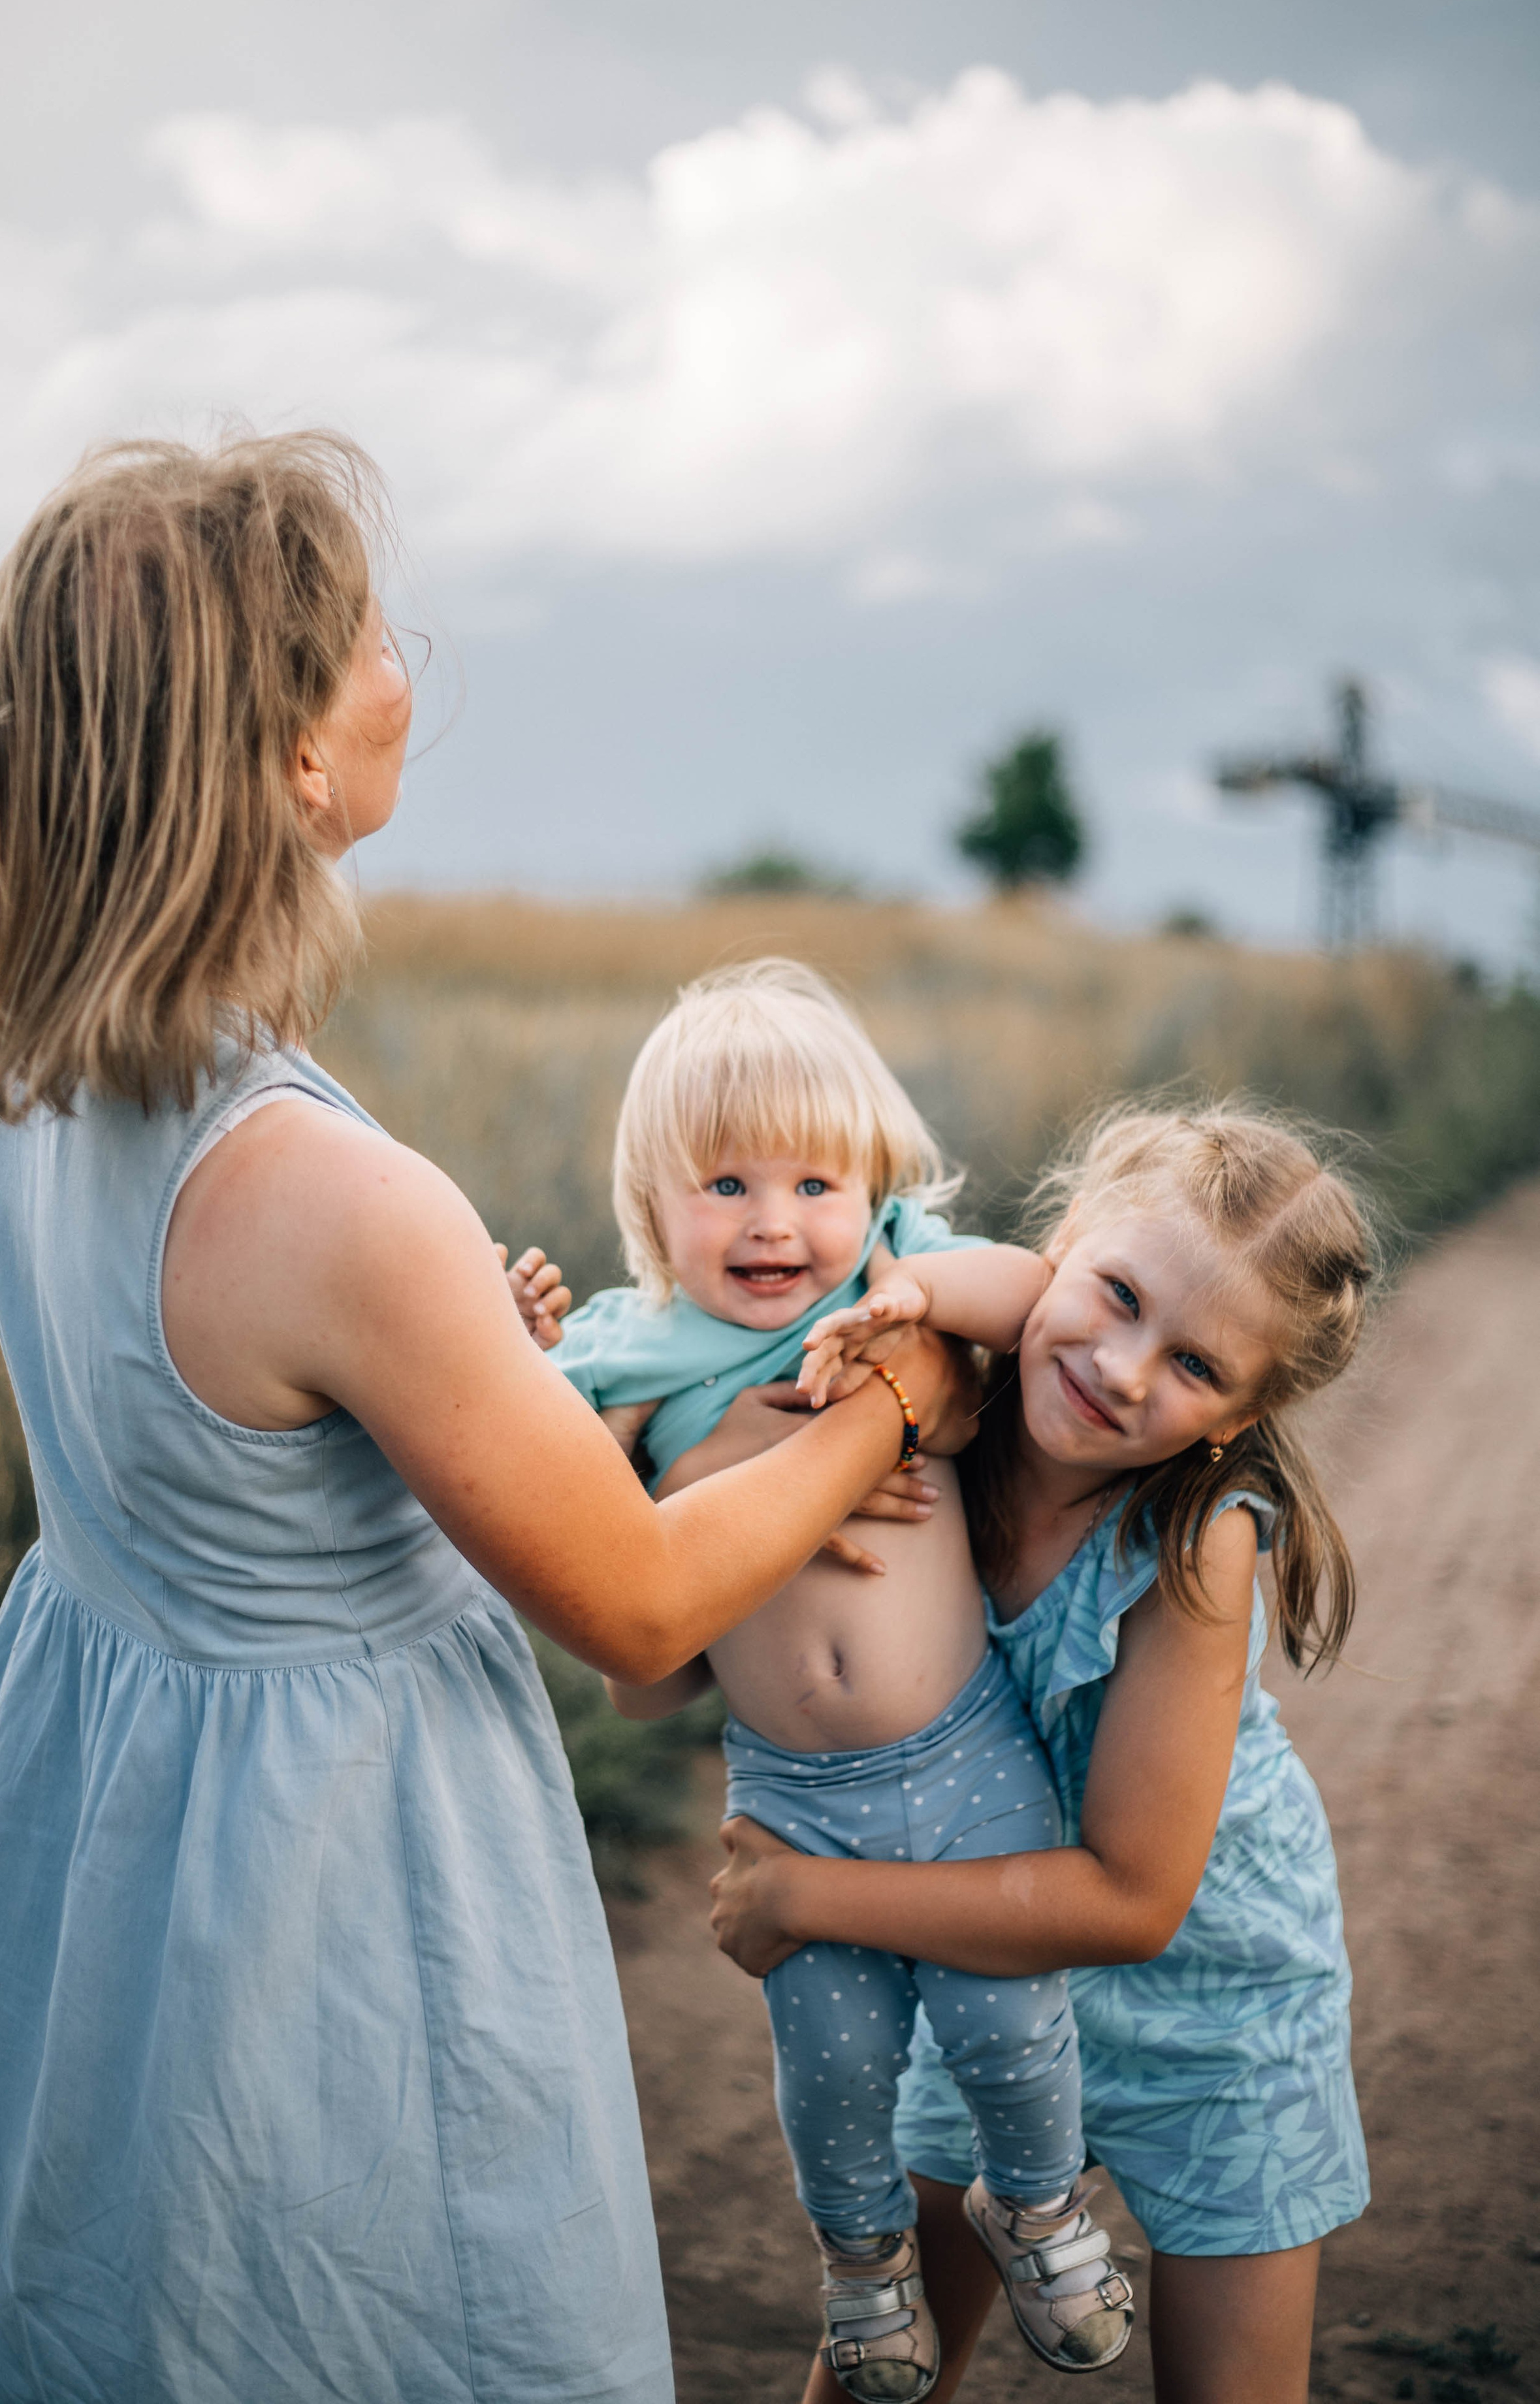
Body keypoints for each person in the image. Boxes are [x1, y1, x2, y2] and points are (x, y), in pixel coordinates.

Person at [0, 433, 976, 2404]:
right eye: (373, 635)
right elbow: (637, 1606)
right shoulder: (320, 1188)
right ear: (293, 757)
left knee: (116, 2283)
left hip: (105, 1805)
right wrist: (893, 1396)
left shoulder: (32, 1077)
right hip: (322, 1852)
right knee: (343, 2288)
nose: (408, 664)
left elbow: (230, 1437)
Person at [707, 1103, 1376, 2404]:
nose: (1124, 1369)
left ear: (1241, 1419)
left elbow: (1130, 1900)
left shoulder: (1196, 1544)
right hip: (989, 1978)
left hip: (1216, 2021)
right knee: (875, 2383)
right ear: (1056, 1247)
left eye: (1194, 1367)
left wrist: (804, 1893)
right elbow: (667, 1635)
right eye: (1115, 1294)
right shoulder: (933, 1412)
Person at [549, 963, 1136, 2399]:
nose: (770, 1220)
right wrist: (525, 1348)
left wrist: (921, 1291)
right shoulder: (636, 1351)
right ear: (651, 1210)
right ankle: (864, 2265)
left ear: (873, 1188)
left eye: (815, 1180)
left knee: (1009, 2027)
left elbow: (1034, 1296)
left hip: (959, 1752)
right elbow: (556, 1494)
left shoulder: (896, 1281)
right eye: (723, 1183)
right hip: (790, 1790)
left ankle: (1040, 2202)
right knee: (833, 2072)